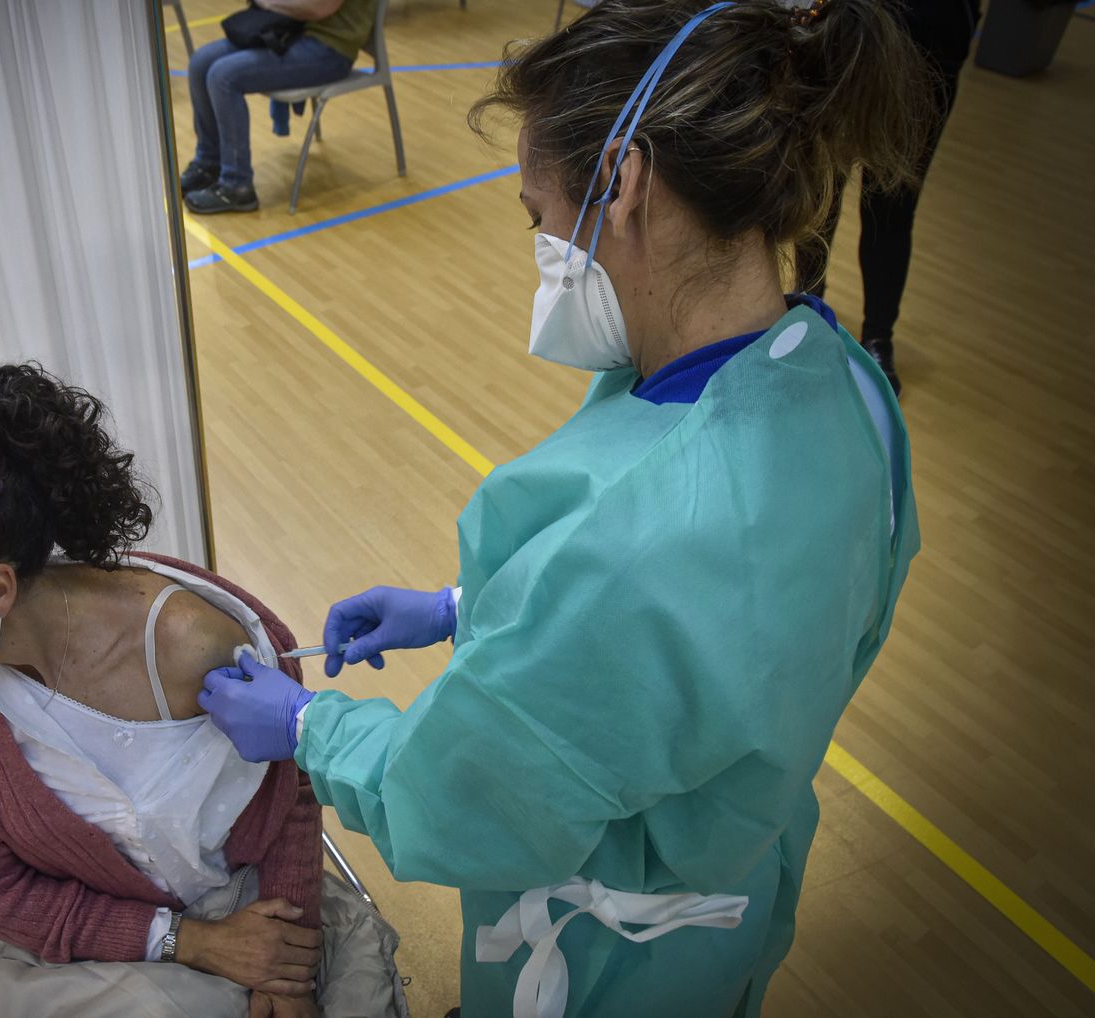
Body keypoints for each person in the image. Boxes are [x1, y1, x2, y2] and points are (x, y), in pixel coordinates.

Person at [197, 1, 932, 1015]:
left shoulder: (641, 540)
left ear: (623, 185)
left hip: (607, 959)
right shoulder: (845, 385)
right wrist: (467, 610)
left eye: (535, 213)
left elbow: (462, 794)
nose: (541, 242)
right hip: (736, 896)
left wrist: (309, 727)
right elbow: (728, 638)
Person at [0, 364, 405, 1018]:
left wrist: (283, 978)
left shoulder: (189, 642)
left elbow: (290, 795)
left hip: (253, 908)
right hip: (93, 937)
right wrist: (186, 941)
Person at [793, 0, 982, 394]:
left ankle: (878, 337)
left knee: (892, 207)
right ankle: (808, 312)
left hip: (926, 53)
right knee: (821, 193)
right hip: (843, 38)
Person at [182, 0, 379, 214]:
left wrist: (269, 3)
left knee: (223, 77)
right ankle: (209, 163)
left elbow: (318, 8)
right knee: (200, 63)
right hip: (293, 31)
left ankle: (236, 185)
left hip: (330, 50)